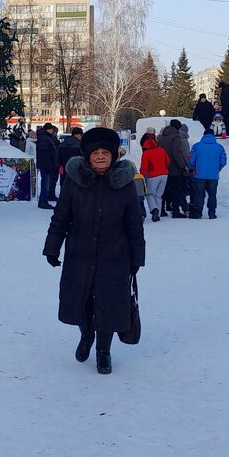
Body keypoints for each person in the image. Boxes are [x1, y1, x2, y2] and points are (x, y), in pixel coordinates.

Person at [43, 127, 146, 375]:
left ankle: (103, 351)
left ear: (113, 155)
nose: (100, 156)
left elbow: (134, 223)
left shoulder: (125, 184)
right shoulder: (74, 182)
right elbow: (61, 217)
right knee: (81, 301)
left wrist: (137, 257)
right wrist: (52, 247)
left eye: (105, 152)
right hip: (80, 253)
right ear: (88, 156)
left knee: (109, 304)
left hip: (115, 256)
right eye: (95, 152)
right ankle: (86, 334)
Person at [187, 129, 227, 219]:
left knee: (199, 194)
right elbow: (223, 161)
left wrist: (195, 168)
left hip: (199, 175)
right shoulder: (219, 147)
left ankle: (198, 213)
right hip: (213, 176)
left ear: (204, 135)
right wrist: (217, 169)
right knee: (212, 195)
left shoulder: (197, 146)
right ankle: (212, 213)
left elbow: (191, 160)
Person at [158, 120, 191, 218]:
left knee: (163, 190)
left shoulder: (160, 137)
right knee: (176, 190)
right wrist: (182, 166)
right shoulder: (176, 137)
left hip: (162, 166)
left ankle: (162, 210)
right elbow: (176, 153)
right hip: (174, 168)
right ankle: (176, 211)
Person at [139, 132, 169, 222]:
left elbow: (144, 167)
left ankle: (154, 210)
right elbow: (168, 162)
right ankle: (158, 214)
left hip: (153, 176)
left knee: (150, 194)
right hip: (164, 175)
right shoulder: (162, 150)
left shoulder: (146, 153)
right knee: (159, 195)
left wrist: (142, 176)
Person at [35, 124, 60, 209]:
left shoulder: (47, 137)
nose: (52, 131)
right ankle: (43, 201)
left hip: (48, 164)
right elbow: (44, 153)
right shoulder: (44, 138)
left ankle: (44, 200)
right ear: (48, 129)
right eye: (51, 129)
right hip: (46, 165)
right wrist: (49, 164)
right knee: (45, 183)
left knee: (47, 183)